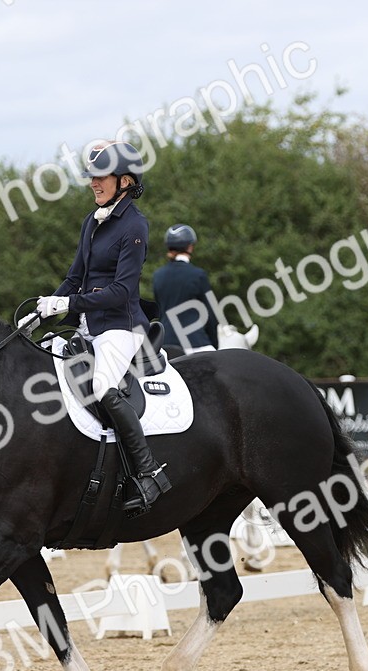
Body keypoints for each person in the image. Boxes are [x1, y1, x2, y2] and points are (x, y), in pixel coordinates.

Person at [25, 140, 171, 513]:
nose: (93, 183)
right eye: (91, 176)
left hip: (121, 327)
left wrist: (69, 304)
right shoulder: (92, 221)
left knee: (103, 386)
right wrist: (44, 310)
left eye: (100, 176)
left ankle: (149, 472)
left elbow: (122, 290)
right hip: (89, 326)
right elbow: (76, 277)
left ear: (124, 181)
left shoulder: (135, 225)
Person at [152, 223, 219, 358]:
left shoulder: (158, 275)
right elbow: (211, 314)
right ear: (190, 246)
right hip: (195, 342)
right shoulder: (198, 275)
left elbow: (160, 310)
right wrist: (214, 343)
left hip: (165, 343)